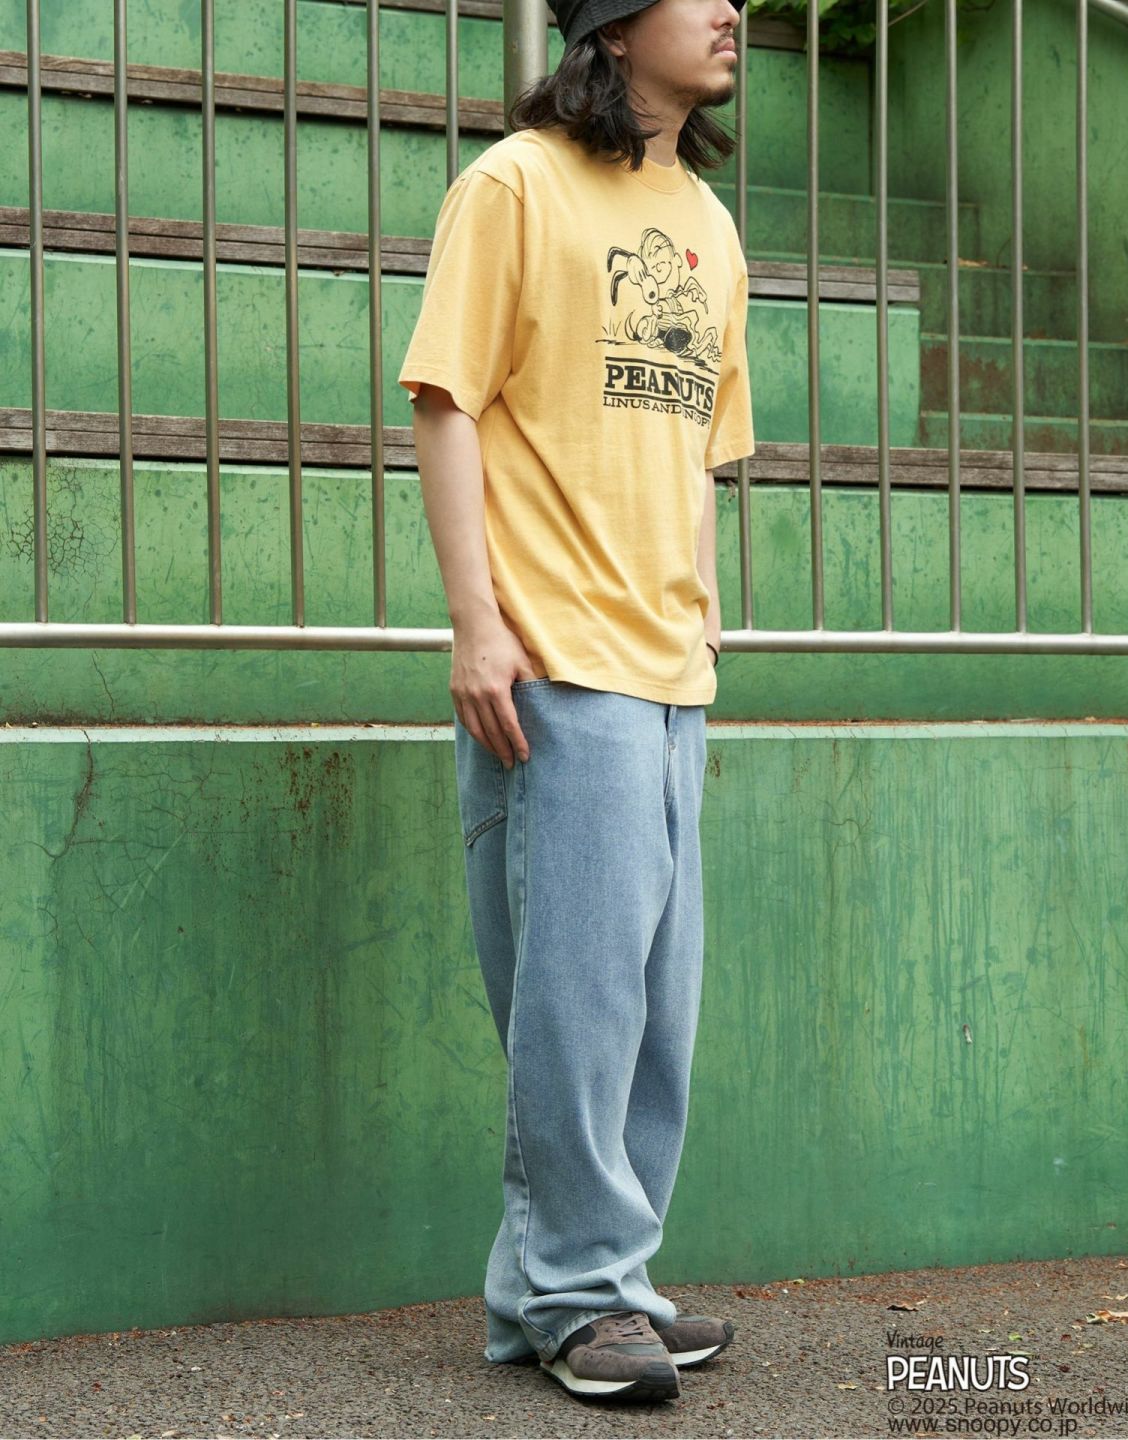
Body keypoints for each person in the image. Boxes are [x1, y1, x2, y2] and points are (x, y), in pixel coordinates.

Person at [398, 0, 755, 1404]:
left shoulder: (707, 223)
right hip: (556, 658)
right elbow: (446, 402)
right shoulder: (515, 186)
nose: (732, 11)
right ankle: (578, 1293)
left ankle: (589, 1282)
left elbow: (700, 448)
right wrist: (477, 625)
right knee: (578, 1005)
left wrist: (703, 606)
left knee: (656, 1013)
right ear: (611, 24)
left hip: (668, 669)